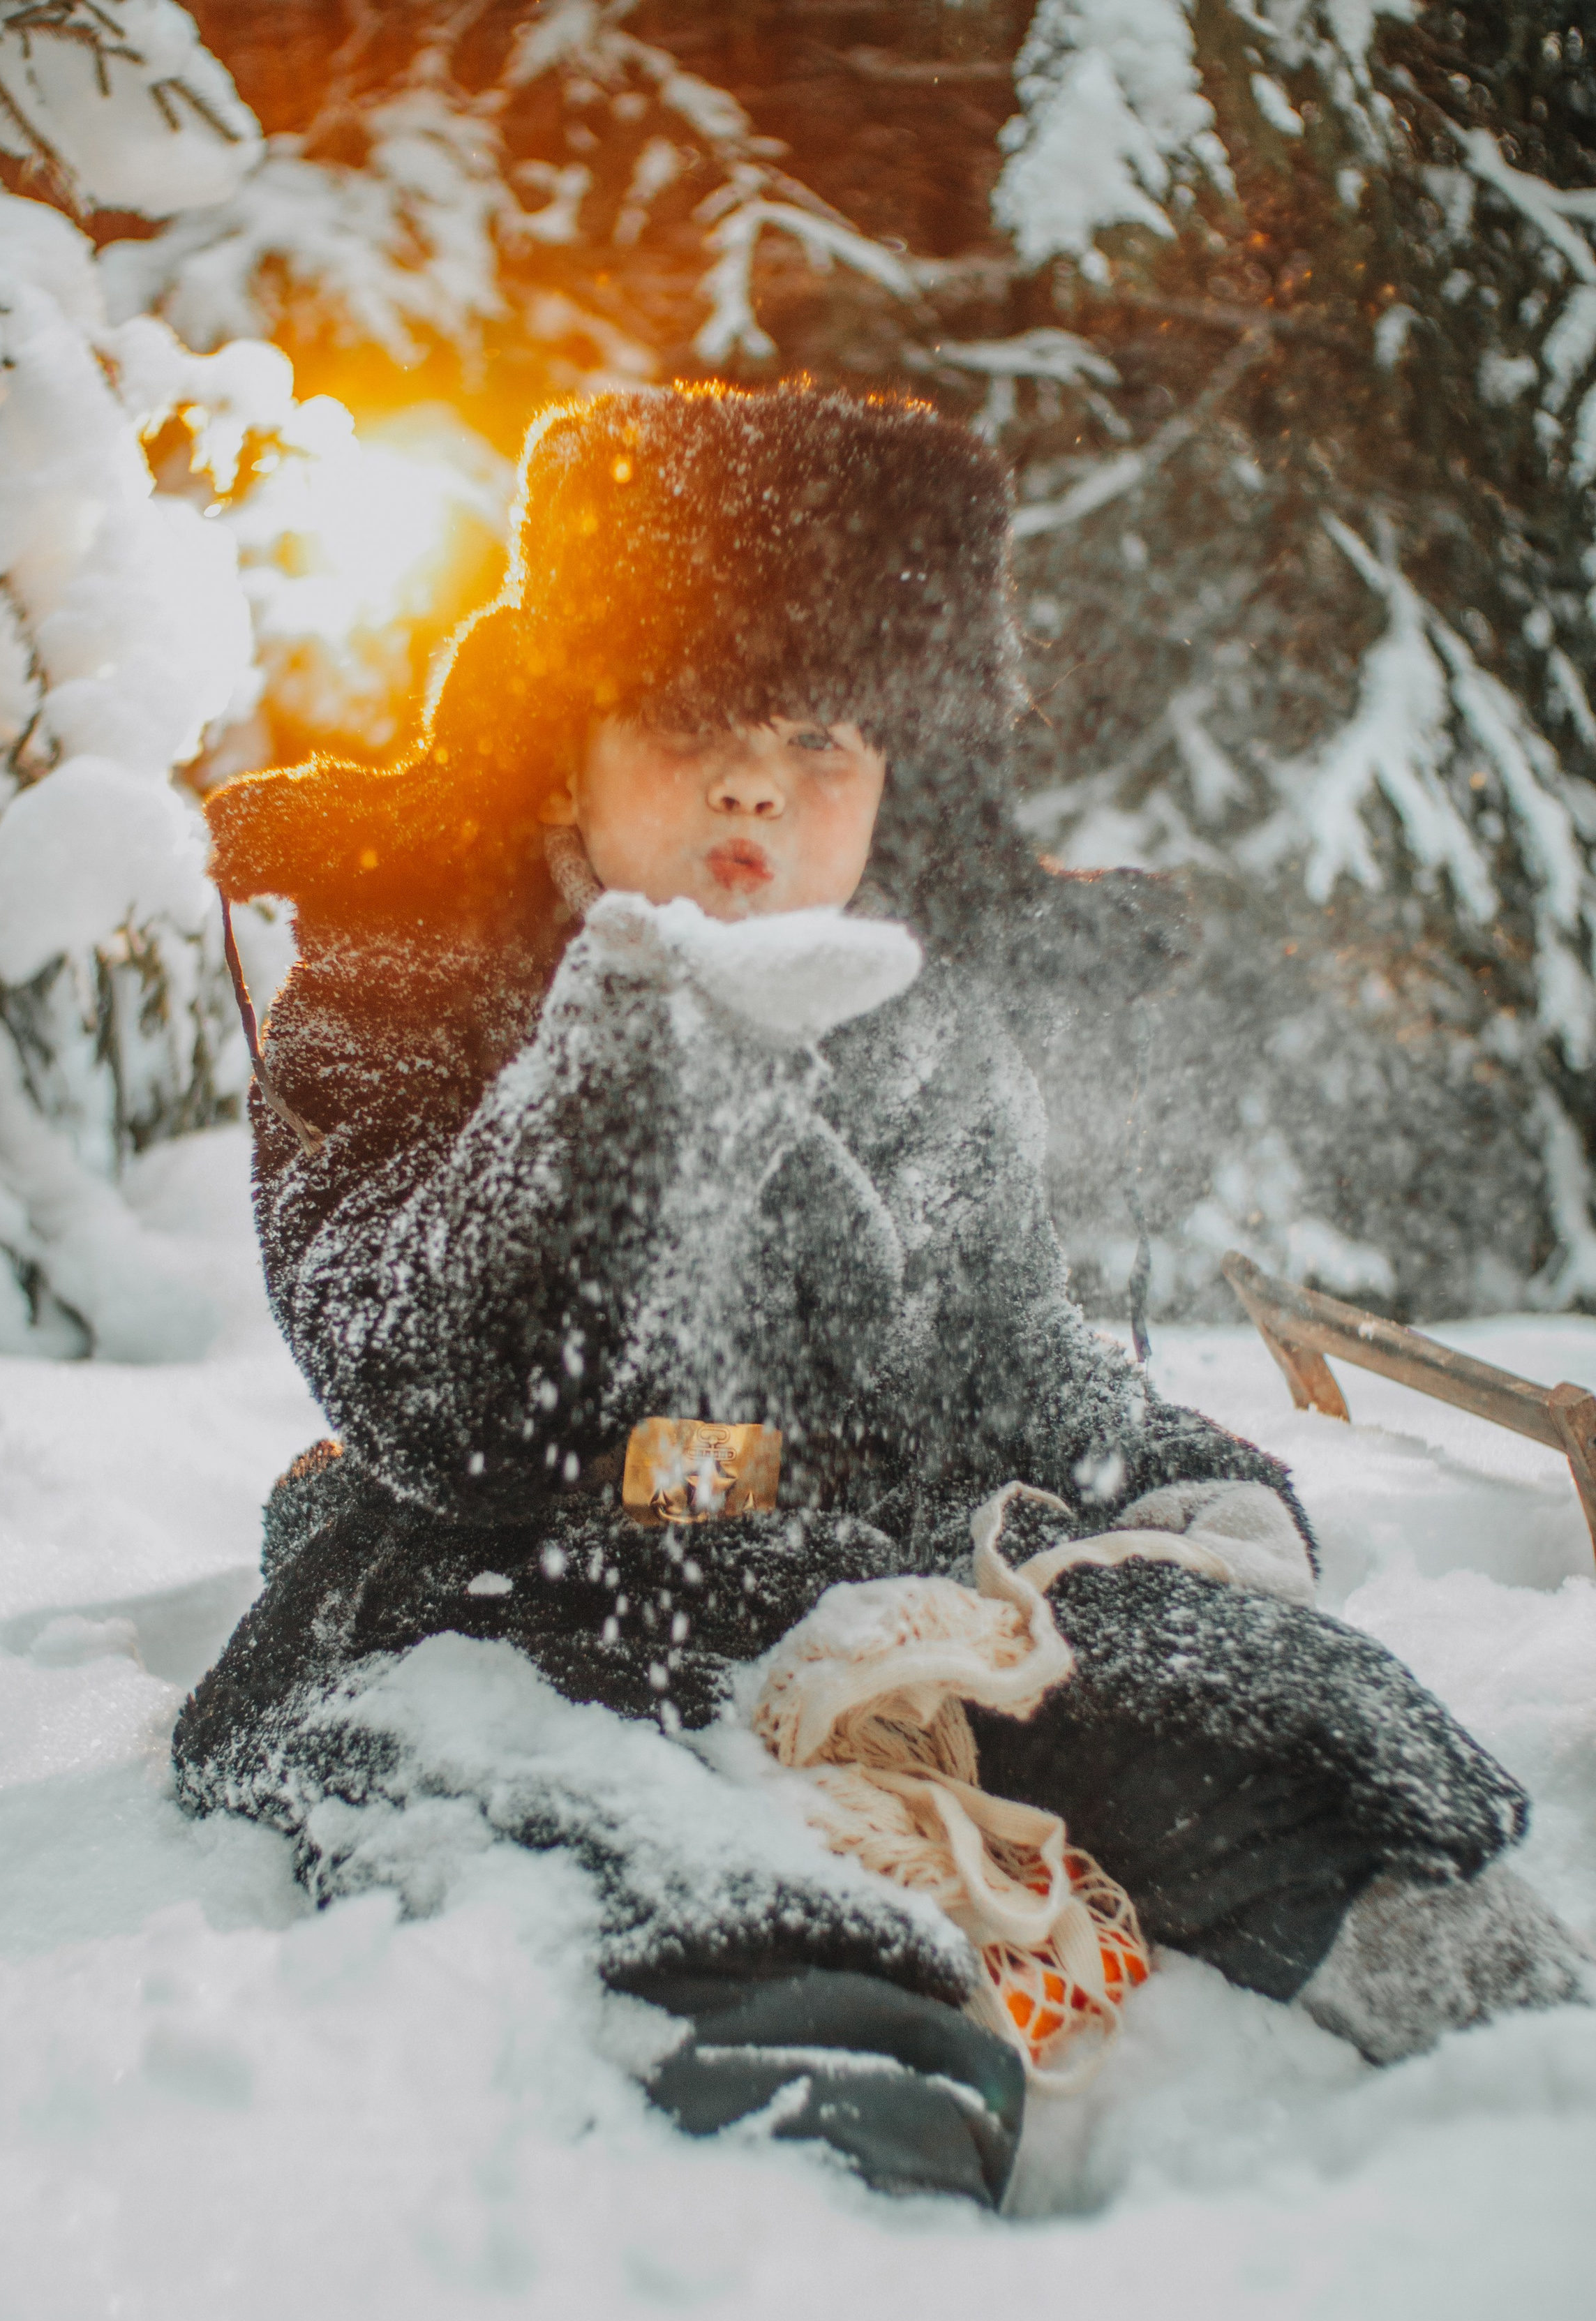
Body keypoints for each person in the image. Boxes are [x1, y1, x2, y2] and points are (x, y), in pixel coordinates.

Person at [177, 382, 1587, 2210]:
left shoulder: (919, 1022)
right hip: (511, 1564)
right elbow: (424, 1384)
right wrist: (635, 1078)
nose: (756, 780)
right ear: (562, 745)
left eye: (821, 733)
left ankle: (1444, 1961)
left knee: (1188, 1664)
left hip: (850, 1556)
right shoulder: (402, 984)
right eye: (690, 718)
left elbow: (989, 1345)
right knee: (514, 1754)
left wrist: (1167, 1476)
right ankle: (802, 2065)